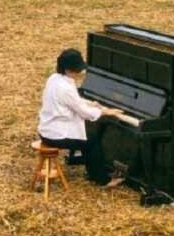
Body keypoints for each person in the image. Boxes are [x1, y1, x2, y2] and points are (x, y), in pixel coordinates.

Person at [37, 48, 124, 188]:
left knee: (89, 135)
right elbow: (84, 113)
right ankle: (102, 179)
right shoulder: (65, 88)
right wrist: (105, 111)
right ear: (68, 69)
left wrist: (91, 104)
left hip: (46, 130)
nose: (79, 72)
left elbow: (73, 101)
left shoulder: (54, 79)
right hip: (56, 135)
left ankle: (95, 172)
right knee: (91, 142)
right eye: (75, 69)